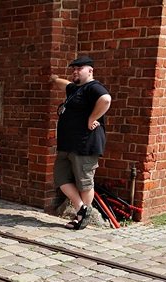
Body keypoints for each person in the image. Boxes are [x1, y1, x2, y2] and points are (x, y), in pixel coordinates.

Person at [49, 55, 112, 229]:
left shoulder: (93, 87)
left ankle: (81, 218)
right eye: (73, 69)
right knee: (60, 177)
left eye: (79, 69)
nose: (75, 71)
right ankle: (82, 208)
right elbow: (65, 84)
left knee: (84, 182)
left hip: (85, 145)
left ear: (90, 71)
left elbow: (106, 100)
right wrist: (54, 79)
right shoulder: (75, 89)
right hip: (67, 144)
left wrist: (92, 118)